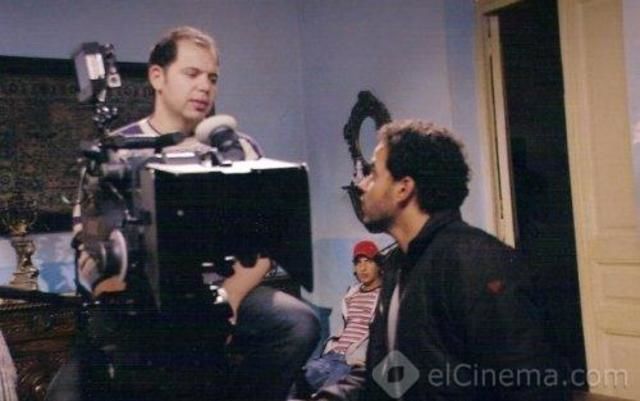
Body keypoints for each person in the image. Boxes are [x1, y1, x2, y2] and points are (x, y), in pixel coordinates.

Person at [45, 26, 319, 401]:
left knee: (298, 323)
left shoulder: (239, 149)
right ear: (158, 77)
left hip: (222, 291)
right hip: (140, 304)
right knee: (66, 394)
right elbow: (91, 254)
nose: (204, 87)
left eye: (212, 78)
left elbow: (265, 245)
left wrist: (231, 297)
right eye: (192, 74)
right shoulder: (115, 152)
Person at [313, 120, 569, 400]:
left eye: (373, 174)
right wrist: (334, 397)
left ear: (403, 188)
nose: (361, 185)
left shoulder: (477, 263)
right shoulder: (397, 266)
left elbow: (533, 386)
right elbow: (399, 371)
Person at [295, 240, 383, 398]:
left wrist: (363, 360)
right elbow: (341, 326)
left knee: (327, 396)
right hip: (332, 355)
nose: (363, 268)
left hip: (352, 361)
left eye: (368, 261)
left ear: (378, 265)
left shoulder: (385, 295)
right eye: (358, 263)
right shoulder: (351, 293)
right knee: (292, 384)